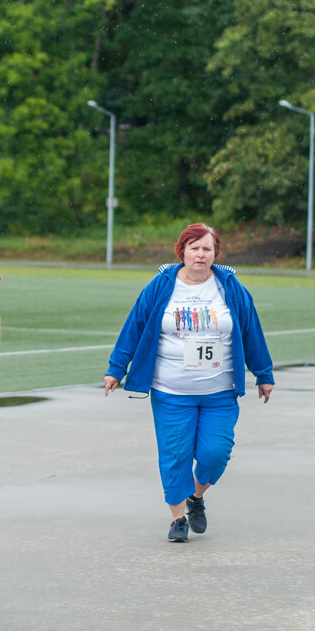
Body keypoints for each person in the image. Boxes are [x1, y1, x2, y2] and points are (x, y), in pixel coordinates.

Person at [103, 222, 274, 543]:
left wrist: (263, 373)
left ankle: (196, 497)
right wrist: (117, 368)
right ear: (181, 251)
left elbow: (251, 329)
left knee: (216, 454)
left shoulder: (231, 287)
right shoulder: (161, 284)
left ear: (215, 254)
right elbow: (135, 325)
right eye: (194, 247)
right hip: (171, 392)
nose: (200, 254)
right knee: (175, 454)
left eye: (207, 248)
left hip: (219, 393)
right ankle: (177, 518)